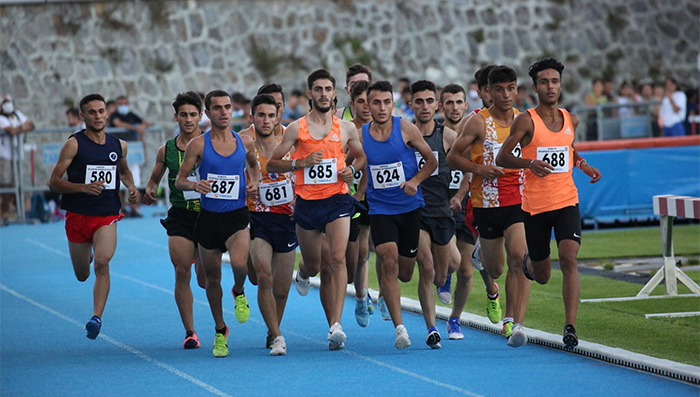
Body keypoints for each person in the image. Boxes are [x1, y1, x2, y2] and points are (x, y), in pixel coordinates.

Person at [496, 58, 602, 348]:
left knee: (569, 257)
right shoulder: (526, 120)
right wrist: (529, 163)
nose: (550, 86)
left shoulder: (571, 119)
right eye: (544, 82)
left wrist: (583, 164)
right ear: (535, 87)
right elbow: (501, 157)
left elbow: (567, 148)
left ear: (560, 84)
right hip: (535, 206)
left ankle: (570, 327)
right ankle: (530, 263)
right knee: (542, 276)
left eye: (554, 81)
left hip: (567, 200)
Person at [267, 69, 366, 351]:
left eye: (328, 89)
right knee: (315, 265)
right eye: (318, 89)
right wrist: (301, 163)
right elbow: (272, 164)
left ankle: (335, 325)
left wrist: (350, 170)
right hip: (308, 205)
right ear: (310, 94)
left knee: (337, 260)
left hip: (337, 200)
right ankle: (303, 270)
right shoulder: (297, 128)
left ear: (335, 94)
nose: (324, 94)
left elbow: (360, 157)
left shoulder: (346, 128)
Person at [447, 65, 532, 348]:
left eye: (511, 88)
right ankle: (483, 251)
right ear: (488, 92)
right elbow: (452, 158)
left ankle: (513, 322)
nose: (506, 95)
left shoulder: (525, 121)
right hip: (486, 203)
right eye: (499, 89)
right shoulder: (477, 122)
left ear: (517, 90)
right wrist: (480, 170)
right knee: (495, 270)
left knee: (519, 258)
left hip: (518, 200)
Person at [48, 94, 140, 339]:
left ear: (107, 113)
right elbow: (54, 182)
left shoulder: (119, 145)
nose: (98, 116)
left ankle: (96, 318)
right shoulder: (74, 144)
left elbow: (124, 170)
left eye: (101, 111)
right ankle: (85, 255)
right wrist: (82, 188)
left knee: (102, 262)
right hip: (78, 216)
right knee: (82, 275)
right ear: (83, 116)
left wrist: (131, 187)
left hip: (106, 215)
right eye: (92, 112)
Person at [175, 90, 259, 358]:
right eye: (217, 108)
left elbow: (254, 166)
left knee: (238, 264)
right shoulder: (198, 145)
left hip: (236, 216)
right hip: (209, 219)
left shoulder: (245, 142)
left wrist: (254, 182)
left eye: (227, 107)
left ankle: (239, 290)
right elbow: (180, 180)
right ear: (207, 113)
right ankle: (220, 330)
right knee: (211, 279)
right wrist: (194, 183)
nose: (223, 112)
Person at [362, 80, 437, 349]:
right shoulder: (361, 134)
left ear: (392, 104)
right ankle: (400, 328)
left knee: (405, 272)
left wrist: (415, 181)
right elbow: (350, 161)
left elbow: (432, 161)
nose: (381, 108)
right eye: (375, 102)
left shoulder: (405, 127)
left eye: (386, 102)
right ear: (368, 105)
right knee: (387, 259)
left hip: (409, 207)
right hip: (380, 208)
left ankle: (387, 291)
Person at [142, 91, 206, 349]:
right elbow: (153, 182)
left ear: (201, 116)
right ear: (176, 117)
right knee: (182, 271)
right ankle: (190, 332)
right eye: (183, 115)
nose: (188, 119)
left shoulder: (211, 144)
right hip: (180, 215)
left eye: (193, 114)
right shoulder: (166, 149)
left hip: (208, 215)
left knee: (205, 278)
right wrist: (148, 191)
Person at [244, 94, 297, 356]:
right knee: (263, 276)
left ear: (278, 118)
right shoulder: (244, 147)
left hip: (286, 221)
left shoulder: (289, 146)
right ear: (252, 117)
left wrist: (300, 201)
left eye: (271, 116)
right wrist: (246, 191)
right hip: (257, 220)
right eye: (261, 115)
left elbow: (304, 176)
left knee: (282, 290)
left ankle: (271, 327)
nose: (266, 120)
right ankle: (277, 336)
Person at [409, 80, 460, 349]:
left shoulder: (448, 137)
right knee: (426, 268)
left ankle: (444, 282)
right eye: (419, 101)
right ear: (412, 105)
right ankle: (431, 328)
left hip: (442, 212)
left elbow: (468, 168)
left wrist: (459, 195)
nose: (425, 106)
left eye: (429, 101)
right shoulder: (404, 136)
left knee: (444, 272)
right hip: (415, 211)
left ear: (436, 105)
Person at [437, 83, 484, 340]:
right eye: (449, 103)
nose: (454, 108)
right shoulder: (433, 133)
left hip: (466, 204)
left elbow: (472, 168)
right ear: (441, 106)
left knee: (467, 270)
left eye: (458, 103)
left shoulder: (474, 131)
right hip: (440, 206)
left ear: (466, 105)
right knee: (451, 258)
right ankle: (444, 276)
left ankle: (455, 319)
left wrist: (461, 195)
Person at [346, 80, 376, 327]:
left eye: (370, 100)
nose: (367, 106)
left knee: (392, 250)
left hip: (380, 197)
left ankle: (380, 295)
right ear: (352, 104)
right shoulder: (346, 130)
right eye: (361, 101)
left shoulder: (384, 128)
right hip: (354, 199)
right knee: (360, 254)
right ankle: (360, 297)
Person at [108, 95, 149, 217]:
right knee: (119, 181)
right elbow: (118, 124)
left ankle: (134, 208)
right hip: (118, 152)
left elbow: (145, 122)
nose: (123, 106)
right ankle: (121, 207)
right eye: (120, 103)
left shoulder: (131, 115)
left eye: (125, 103)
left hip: (133, 153)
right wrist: (135, 128)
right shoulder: (114, 115)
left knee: (134, 181)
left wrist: (142, 127)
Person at [0, 94, 35, 224]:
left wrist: (20, 128)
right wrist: (22, 128)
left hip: (18, 154)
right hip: (4, 155)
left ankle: (17, 210)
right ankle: (4, 210)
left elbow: (31, 125)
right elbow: (11, 131)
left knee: (18, 182)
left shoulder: (18, 115)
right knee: (6, 182)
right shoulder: (1, 118)